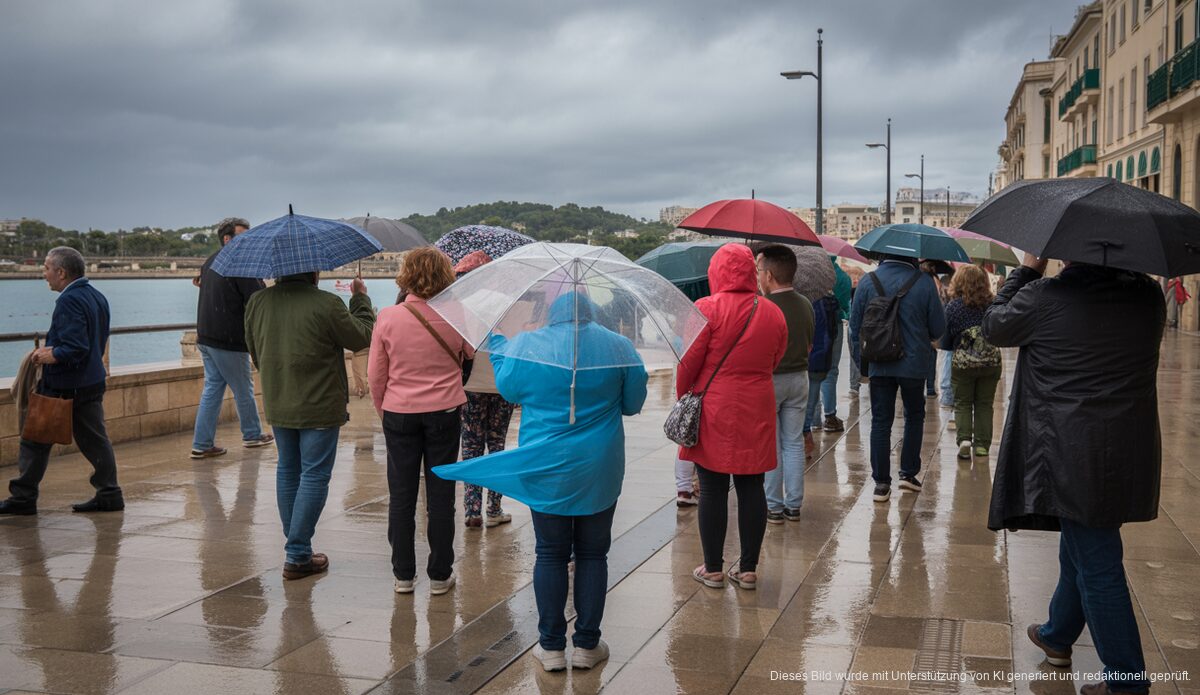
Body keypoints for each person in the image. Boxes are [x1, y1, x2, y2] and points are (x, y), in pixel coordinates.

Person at [434, 291, 648, 672]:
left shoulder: (529, 345)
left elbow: (512, 389)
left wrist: (499, 345)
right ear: (592, 312)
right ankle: (587, 644)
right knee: (593, 554)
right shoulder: (619, 347)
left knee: (549, 552)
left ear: (553, 313)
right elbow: (632, 403)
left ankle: (550, 647)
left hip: (545, 463)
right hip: (599, 465)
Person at [982, 254, 1164, 695]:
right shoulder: (1149, 297)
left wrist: (1027, 270)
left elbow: (993, 325)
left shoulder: (1046, 296)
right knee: (1083, 542)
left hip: (1067, 449)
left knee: (1098, 561)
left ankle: (1127, 680)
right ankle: (1057, 637)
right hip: (1126, 447)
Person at [243, 269, 374, 580]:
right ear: (313, 271)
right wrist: (360, 299)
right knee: (314, 474)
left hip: (279, 398)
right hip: (319, 401)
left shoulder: (257, 302)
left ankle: (297, 549)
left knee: (288, 469)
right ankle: (298, 552)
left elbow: (253, 347)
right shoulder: (326, 303)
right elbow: (362, 337)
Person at [676, 244, 787, 590]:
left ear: (717, 272)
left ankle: (712, 568)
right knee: (752, 485)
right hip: (757, 404)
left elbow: (688, 362)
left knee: (711, 487)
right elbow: (775, 357)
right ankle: (749, 568)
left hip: (715, 407)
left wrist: (685, 395)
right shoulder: (772, 312)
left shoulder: (705, 308)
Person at [368, 248, 472, 595]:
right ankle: (441, 574)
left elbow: (376, 376)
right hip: (444, 412)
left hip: (399, 412)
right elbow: (469, 357)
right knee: (441, 495)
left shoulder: (388, 316)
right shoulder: (458, 314)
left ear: (406, 275)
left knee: (401, 494)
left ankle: (403, 574)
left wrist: (386, 411)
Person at [0, 248, 124, 516]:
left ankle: (23, 497)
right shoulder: (96, 296)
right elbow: (94, 344)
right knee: (95, 440)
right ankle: (109, 492)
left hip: (65, 386)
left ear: (61, 272)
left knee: (34, 439)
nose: (43, 274)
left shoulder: (69, 301)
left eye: (46, 268)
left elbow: (76, 347)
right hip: (90, 381)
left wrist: (49, 353)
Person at [848, 253, 946, 503]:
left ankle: (881, 483)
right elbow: (937, 328)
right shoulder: (924, 282)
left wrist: (864, 366)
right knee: (914, 416)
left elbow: (855, 328)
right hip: (913, 365)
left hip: (880, 363)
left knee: (881, 421)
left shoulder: (868, 282)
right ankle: (908, 472)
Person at [190, 217, 274, 459]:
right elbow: (258, 299)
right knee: (243, 388)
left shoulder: (210, 261)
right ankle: (252, 434)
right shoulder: (240, 263)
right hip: (228, 339)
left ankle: (202, 443)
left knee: (213, 389)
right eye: (243, 236)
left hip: (206, 337)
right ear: (228, 239)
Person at [452, 251, 517, 528]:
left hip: (470, 385)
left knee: (471, 445)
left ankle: (472, 510)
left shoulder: (459, 304)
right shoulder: (508, 302)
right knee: (498, 445)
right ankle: (494, 509)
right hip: (501, 382)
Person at [756, 245, 814, 524]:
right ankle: (794, 505)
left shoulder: (763, 306)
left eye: (759, 271)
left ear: (768, 275)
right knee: (793, 442)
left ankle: (774, 505)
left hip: (772, 379)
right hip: (800, 377)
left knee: (772, 444)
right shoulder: (805, 304)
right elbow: (810, 344)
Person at [941, 265, 1002, 460]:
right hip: (990, 363)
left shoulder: (953, 307)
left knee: (962, 403)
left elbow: (945, 341)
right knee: (985, 403)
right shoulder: (992, 305)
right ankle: (983, 445)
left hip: (963, 363)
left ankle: (965, 439)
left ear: (958, 282)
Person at [815, 258, 850, 432]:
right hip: (833, 325)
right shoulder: (842, 277)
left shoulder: (809, 271)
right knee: (830, 370)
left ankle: (813, 419)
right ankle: (829, 415)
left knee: (810, 370)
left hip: (810, 322)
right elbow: (845, 305)